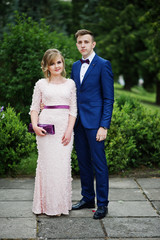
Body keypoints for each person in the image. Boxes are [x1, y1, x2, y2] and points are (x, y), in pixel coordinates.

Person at [71, 29, 114, 219]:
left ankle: (103, 204)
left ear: (93, 44)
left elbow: (108, 98)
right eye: (80, 42)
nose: (83, 45)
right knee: (83, 163)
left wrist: (104, 126)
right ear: (77, 44)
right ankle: (88, 197)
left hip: (96, 124)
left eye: (86, 42)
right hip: (78, 122)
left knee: (99, 164)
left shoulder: (103, 65)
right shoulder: (74, 66)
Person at [30, 49, 77, 216]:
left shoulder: (70, 83)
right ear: (46, 67)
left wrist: (69, 130)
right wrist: (35, 126)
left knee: (62, 166)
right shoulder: (41, 84)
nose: (56, 66)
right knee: (47, 165)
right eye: (52, 63)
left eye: (59, 62)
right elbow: (34, 108)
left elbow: (73, 110)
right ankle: (44, 206)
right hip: (45, 129)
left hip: (64, 129)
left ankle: (59, 206)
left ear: (63, 63)